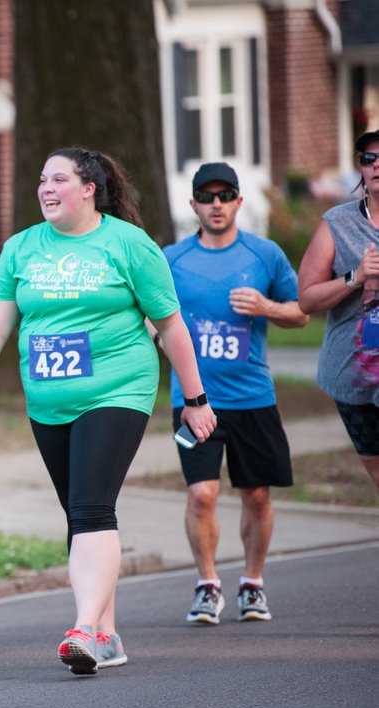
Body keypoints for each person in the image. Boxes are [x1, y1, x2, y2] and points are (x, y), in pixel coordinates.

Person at [0, 148, 216, 675]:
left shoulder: (129, 245)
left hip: (117, 390)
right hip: (49, 400)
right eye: (41, 179)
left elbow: (170, 326)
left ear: (89, 187)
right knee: (82, 512)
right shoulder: (22, 248)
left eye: (59, 179)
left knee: (93, 508)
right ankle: (109, 634)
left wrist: (194, 400)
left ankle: (83, 630)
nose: (46, 188)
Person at [162, 162, 308, 626]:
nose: (217, 204)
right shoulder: (171, 260)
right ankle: (207, 585)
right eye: (207, 196)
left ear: (239, 202)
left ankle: (252, 583)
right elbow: (151, 316)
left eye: (226, 195)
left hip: (252, 396)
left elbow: (301, 312)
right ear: (193, 206)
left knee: (257, 496)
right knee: (201, 494)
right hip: (194, 399)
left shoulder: (264, 255)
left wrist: (266, 307)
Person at [299, 130, 379, 493]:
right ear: (359, 168)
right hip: (354, 374)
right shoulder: (338, 223)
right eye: (369, 158)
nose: (377, 165)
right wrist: (355, 276)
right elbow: (307, 300)